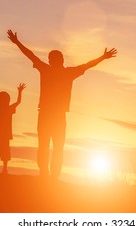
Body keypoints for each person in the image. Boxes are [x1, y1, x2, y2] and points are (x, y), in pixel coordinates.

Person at [7, 29, 117, 180]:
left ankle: (47, 175)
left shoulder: (47, 69)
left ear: (52, 60)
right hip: (55, 115)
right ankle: (51, 176)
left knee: (46, 145)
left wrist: (17, 42)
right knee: (55, 146)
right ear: (59, 60)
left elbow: (30, 55)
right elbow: (87, 65)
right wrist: (103, 57)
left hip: (48, 114)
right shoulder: (66, 73)